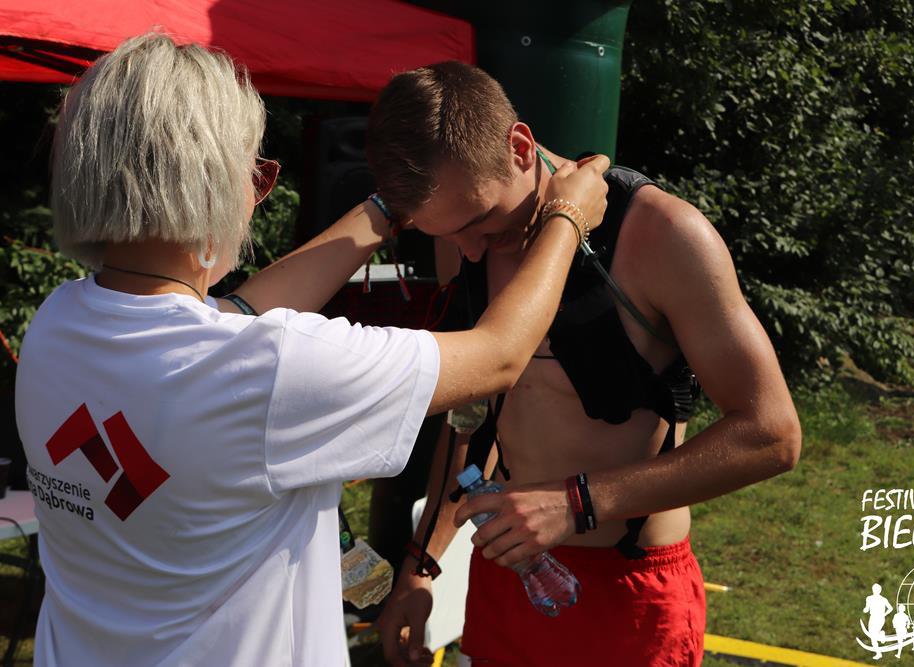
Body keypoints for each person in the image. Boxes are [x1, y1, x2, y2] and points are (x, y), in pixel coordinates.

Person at [14, 34, 610, 666]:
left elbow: (238, 313)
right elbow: (498, 356)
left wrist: (390, 208)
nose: (256, 194)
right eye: (254, 173)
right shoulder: (269, 371)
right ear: (209, 183)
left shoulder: (60, 323)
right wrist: (566, 216)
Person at [369, 62, 802, 667]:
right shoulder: (463, 231)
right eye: (443, 234)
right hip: (508, 581)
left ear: (520, 148)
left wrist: (575, 502)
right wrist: (422, 566)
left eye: (478, 225)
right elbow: (470, 420)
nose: (466, 250)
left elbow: (772, 434)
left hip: (628, 594)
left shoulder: (662, 233)